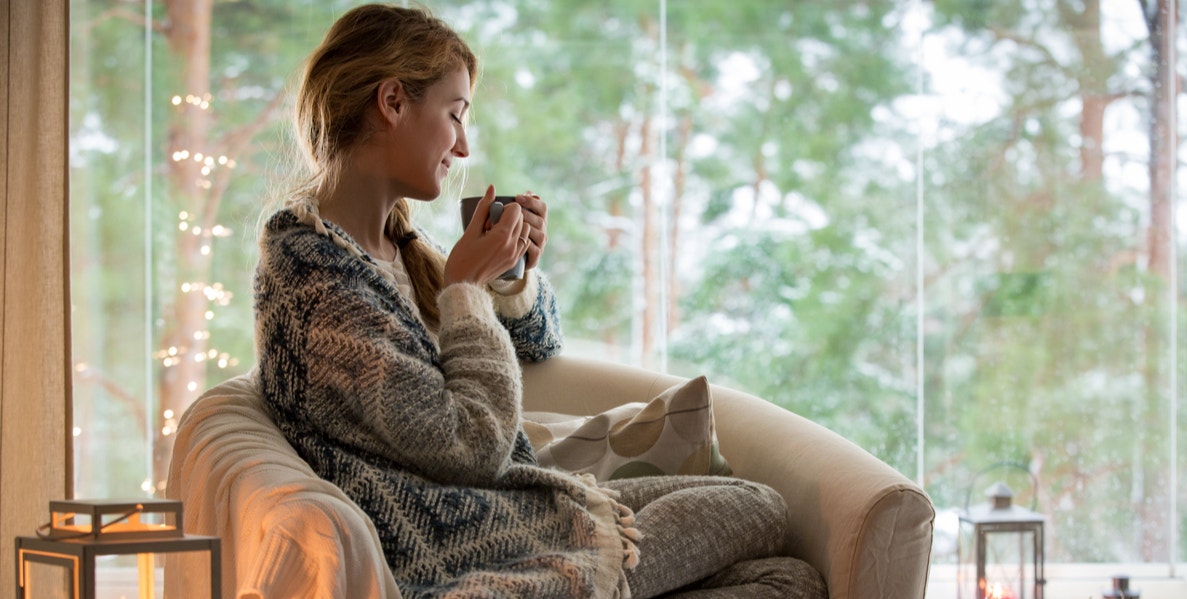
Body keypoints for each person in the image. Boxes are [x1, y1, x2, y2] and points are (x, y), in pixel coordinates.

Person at [253, 3, 824, 597]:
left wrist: (508, 279)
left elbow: (537, 345)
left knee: (784, 572)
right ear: (393, 102)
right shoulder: (312, 270)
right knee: (759, 520)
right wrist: (466, 291)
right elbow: (469, 448)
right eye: (455, 115)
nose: (464, 147)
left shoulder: (395, 249)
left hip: (505, 508)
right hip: (459, 543)